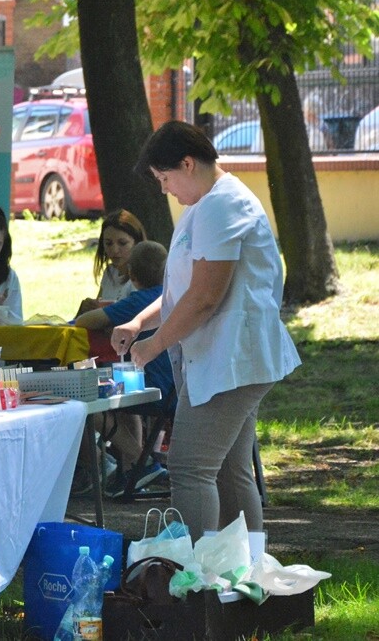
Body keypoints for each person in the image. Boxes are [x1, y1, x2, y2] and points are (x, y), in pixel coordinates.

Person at [113, 120, 301, 543]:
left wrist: (153, 346)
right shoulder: (204, 205)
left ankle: (198, 580)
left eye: (164, 178)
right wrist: (140, 322)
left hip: (232, 358)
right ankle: (245, 573)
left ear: (187, 163)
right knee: (231, 472)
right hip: (226, 359)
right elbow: (184, 289)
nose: (164, 189)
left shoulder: (221, 204)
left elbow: (206, 297)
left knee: (189, 467)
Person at [76, 241, 173, 496]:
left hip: (152, 386)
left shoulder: (139, 300)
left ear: (131, 274)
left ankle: (138, 459)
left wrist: (106, 310)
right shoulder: (170, 295)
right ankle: (132, 465)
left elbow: (85, 322)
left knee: (85, 399)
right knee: (117, 392)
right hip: (174, 386)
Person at [78, 209, 148, 315]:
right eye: (108, 243)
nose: (114, 250)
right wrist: (88, 308)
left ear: (137, 242)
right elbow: (98, 311)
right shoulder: (110, 272)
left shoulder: (145, 278)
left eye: (122, 243)